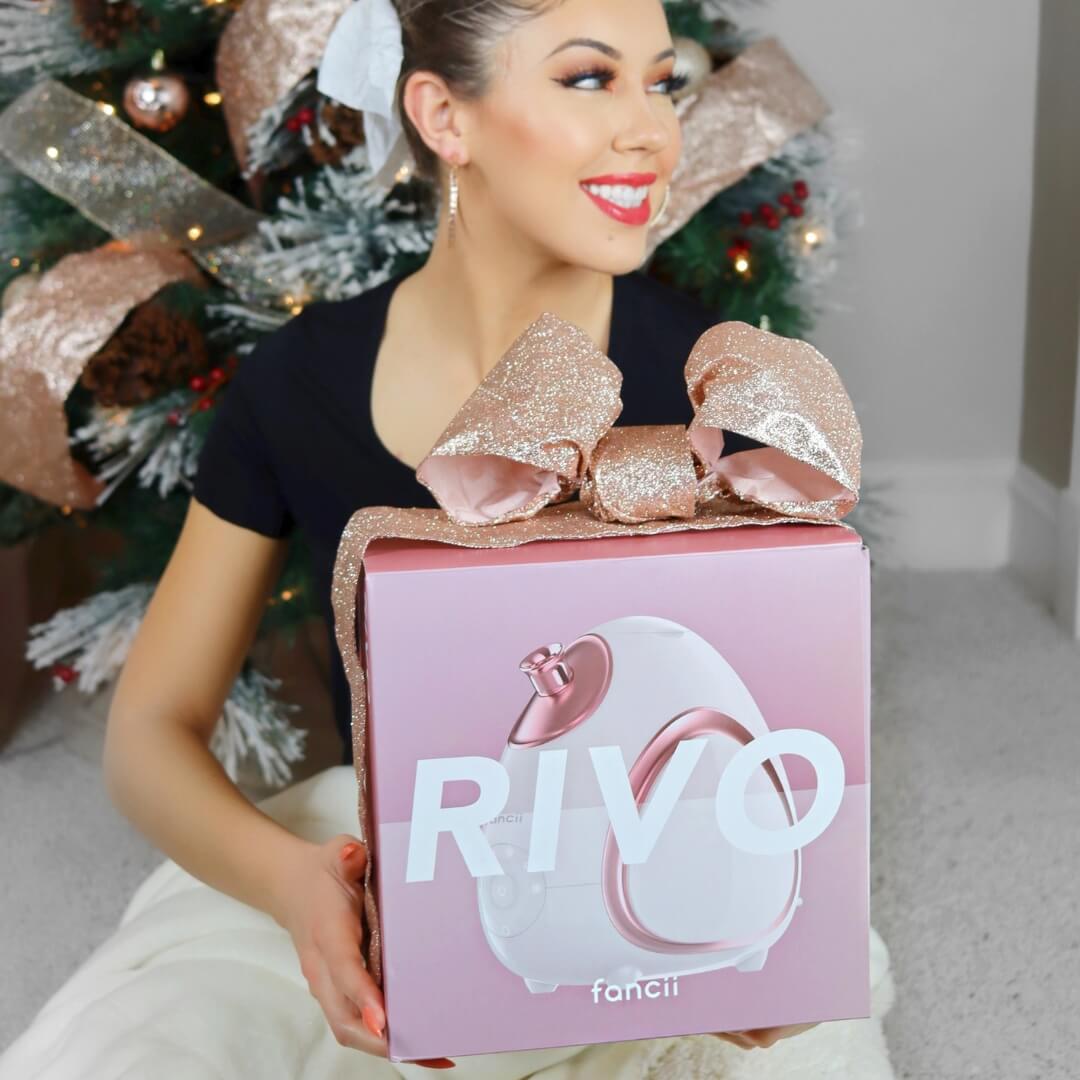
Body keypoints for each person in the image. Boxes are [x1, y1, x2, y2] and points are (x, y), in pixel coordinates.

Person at [103, 0, 818, 1072]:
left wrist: (752, 917)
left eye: (663, 81)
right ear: (445, 115)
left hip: (662, 886)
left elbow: (779, 739)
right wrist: (296, 884)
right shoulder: (298, 385)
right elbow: (148, 731)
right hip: (399, 885)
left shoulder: (721, 388)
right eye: (589, 78)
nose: (653, 129)